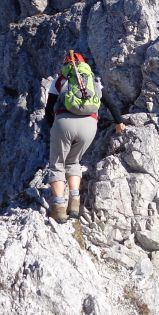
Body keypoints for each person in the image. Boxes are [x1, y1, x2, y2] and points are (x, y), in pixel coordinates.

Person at [44, 51, 124, 223]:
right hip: (89, 125)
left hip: (64, 122)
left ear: (66, 66)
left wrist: (54, 128)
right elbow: (109, 102)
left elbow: (49, 109)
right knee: (73, 162)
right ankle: (74, 203)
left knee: (57, 163)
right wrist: (119, 122)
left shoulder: (60, 81)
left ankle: (58, 209)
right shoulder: (93, 81)